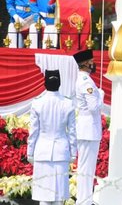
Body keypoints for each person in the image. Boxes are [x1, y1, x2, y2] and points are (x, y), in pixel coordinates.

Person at [27, 70, 76, 205]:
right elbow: (72, 131)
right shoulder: (68, 103)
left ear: (45, 83)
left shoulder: (37, 103)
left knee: (44, 196)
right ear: (59, 83)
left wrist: (30, 152)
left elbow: (33, 131)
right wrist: (74, 152)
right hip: (61, 151)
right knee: (58, 197)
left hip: (42, 151)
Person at [73, 49, 103, 205]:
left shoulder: (85, 79)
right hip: (89, 129)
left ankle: (85, 199)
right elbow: (94, 107)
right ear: (84, 63)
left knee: (87, 167)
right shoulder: (85, 81)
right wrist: (101, 97)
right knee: (86, 167)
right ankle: (84, 200)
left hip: (87, 128)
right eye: (90, 61)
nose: (93, 63)